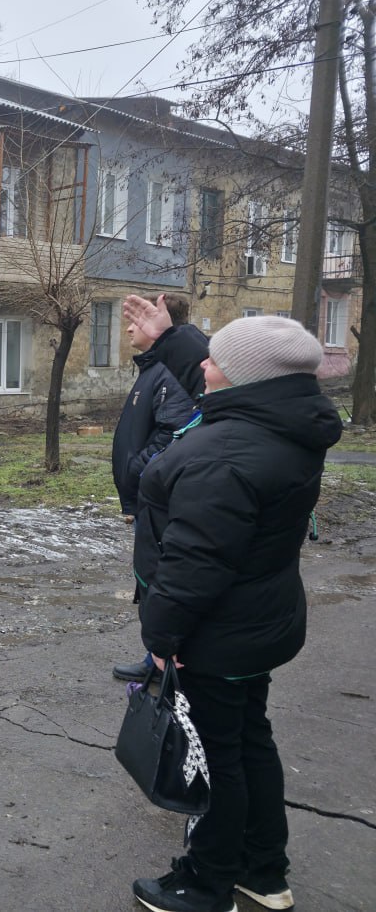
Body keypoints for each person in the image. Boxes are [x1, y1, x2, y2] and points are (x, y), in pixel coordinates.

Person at [120, 298, 343, 912]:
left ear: (243, 377)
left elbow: (196, 566)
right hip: (258, 622)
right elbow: (219, 374)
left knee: (216, 757)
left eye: (215, 359)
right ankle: (263, 871)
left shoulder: (225, 455)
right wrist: (168, 337)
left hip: (215, 635)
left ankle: (207, 881)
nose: (203, 367)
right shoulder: (282, 423)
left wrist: (161, 638)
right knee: (247, 740)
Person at [110, 293, 199, 683]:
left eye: (136, 320)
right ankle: (158, 655)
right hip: (149, 495)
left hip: (161, 496)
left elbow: (174, 433)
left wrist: (139, 472)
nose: (129, 328)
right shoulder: (153, 368)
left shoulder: (168, 373)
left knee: (162, 579)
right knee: (150, 576)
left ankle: (167, 661)